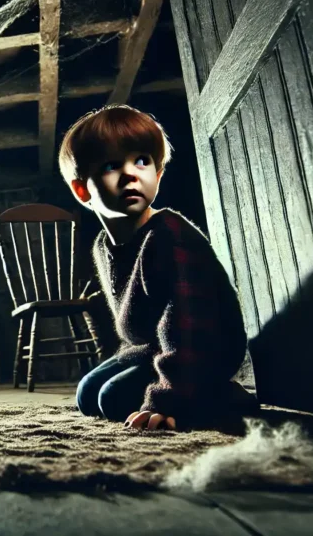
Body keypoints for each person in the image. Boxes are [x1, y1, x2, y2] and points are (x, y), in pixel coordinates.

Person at [62, 104, 256, 431]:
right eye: (111, 166)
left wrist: (167, 397)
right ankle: (183, 385)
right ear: (83, 191)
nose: (130, 174)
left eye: (142, 161)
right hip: (151, 346)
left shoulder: (169, 236)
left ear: (158, 173)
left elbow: (187, 325)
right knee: (87, 394)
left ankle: (219, 393)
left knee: (113, 399)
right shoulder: (102, 245)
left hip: (202, 347)